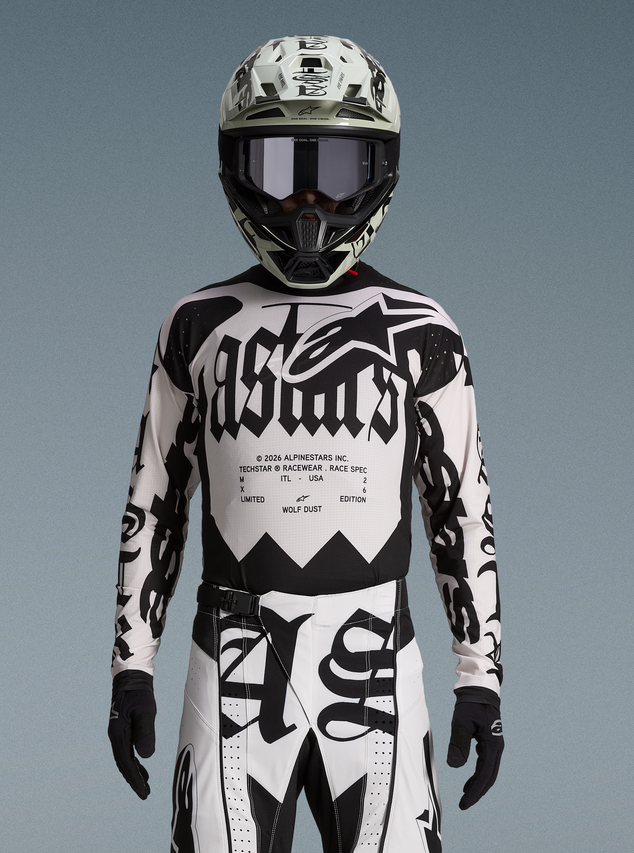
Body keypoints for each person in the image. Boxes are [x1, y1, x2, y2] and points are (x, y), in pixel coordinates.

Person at [108, 35, 504, 853]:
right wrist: (130, 668)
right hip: (269, 652)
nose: (309, 206)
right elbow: (156, 501)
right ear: (237, 171)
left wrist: (481, 677)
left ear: (381, 171)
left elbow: (461, 508)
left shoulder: (424, 332)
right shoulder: (195, 326)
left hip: (339, 652)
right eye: (281, 171)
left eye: (340, 171)